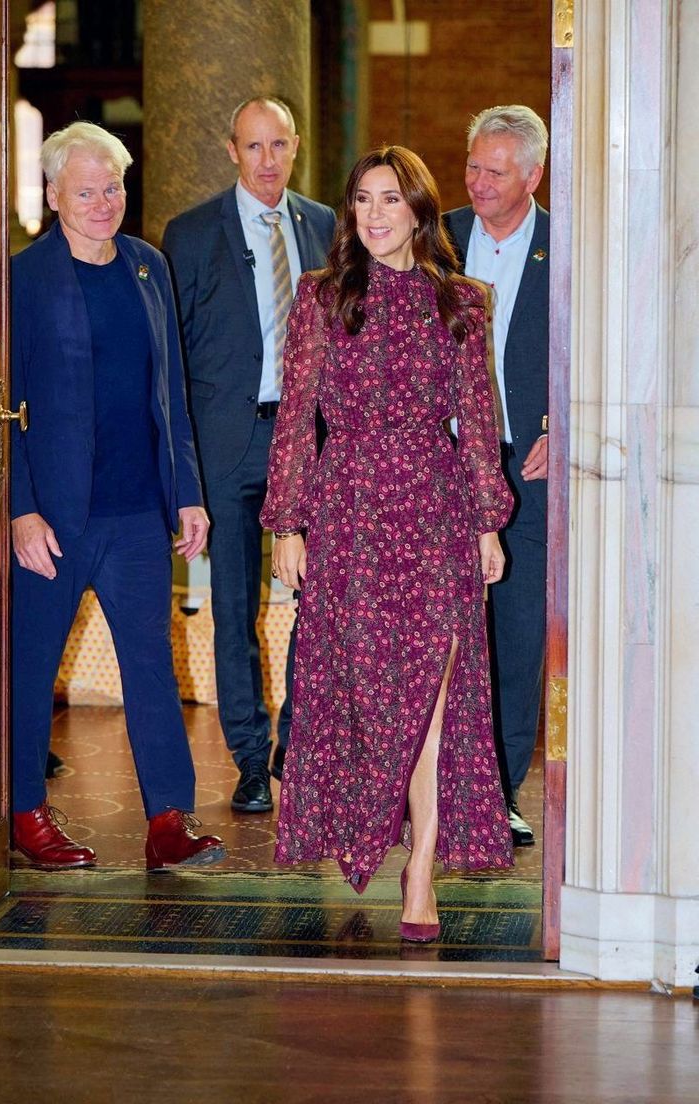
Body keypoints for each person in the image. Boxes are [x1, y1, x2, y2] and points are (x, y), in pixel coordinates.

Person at [261, 145, 514, 942]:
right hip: (349, 514)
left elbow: (477, 420)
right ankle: (367, 831)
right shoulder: (322, 297)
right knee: (365, 693)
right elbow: (297, 416)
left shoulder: (462, 302)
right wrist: (287, 524)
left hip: (435, 512)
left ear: (418, 213)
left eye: (390, 201)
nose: (374, 215)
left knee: (435, 701)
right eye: (362, 200)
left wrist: (487, 522)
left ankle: (422, 869)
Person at [10, 121, 224, 873]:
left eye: (114, 188)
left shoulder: (147, 267)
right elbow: (2, 403)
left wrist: (188, 493)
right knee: (30, 667)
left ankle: (169, 818)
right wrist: (19, 508)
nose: (104, 203)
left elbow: (173, 392)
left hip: (138, 511)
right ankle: (24, 811)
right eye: (87, 191)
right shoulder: (23, 278)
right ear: (52, 194)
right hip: (55, 518)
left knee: (151, 668)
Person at [163, 97, 335, 814]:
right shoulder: (192, 232)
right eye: (254, 147)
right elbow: (169, 360)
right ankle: (248, 758)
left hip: (314, 448)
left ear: (296, 147)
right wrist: (184, 473)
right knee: (235, 610)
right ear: (231, 149)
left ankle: (295, 739)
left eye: (280, 146)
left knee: (316, 604)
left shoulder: (326, 226)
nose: (268, 162)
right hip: (227, 446)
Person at [443, 105, 549, 847]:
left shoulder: (571, 244)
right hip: (437, 462)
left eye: (495, 171)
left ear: (534, 176)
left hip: (526, 463)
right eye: (473, 166)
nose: (477, 182)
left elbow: (607, 342)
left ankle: (500, 792)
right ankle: (429, 787)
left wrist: (562, 421)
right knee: (435, 632)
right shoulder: (437, 238)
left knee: (512, 632)